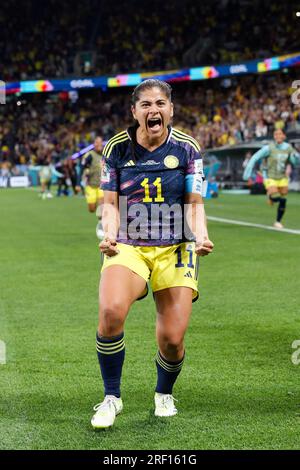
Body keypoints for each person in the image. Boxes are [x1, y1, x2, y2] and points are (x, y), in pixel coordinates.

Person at [91, 79, 214, 430]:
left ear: (171, 109)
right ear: (135, 112)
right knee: (111, 310)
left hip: (176, 246)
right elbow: (110, 203)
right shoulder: (116, 148)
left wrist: (201, 236)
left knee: (172, 340)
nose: (153, 110)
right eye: (145, 104)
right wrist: (109, 233)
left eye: (160, 103)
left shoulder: (188, 148)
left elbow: (194, 203)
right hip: (128, 243)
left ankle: (164, 392)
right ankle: (112, 397)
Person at [243, 129, 299, 229]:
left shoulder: (288, 148)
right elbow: (255, 157)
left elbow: (295, 162)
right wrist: (247, 173)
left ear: (284, 136)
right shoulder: (268, 148)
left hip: (282, 178)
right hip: (270, 177)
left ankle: (277, 221)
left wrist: (296, 157)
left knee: (282, 198)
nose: (277, 136)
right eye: (275, 134)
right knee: (282, 200)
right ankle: (272, 202)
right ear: (274, 136)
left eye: (280, 134)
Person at [81, 136, 104, 238]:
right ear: (94, 144)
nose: (99, 145)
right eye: (96, 143)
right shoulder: (89, 155)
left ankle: (101, 224)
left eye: (100, 142)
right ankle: (100, 219)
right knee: (91, 209)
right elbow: (82, 168)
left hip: (102, 185)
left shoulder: (105, 155)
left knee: (101, 205)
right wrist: (77, 184)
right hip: (91, 185)